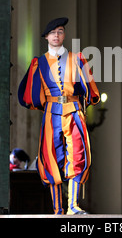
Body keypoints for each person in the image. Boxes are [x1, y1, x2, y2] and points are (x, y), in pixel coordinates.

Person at [18, 17, 100, 215]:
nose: (57, 35)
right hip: (51, 113)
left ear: (64, 35)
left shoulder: (77, 58)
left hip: (73, 110)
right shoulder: (39, 63)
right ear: (46, 36)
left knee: (77, 155)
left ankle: (73, 205)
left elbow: (89, 88)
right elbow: (30, 94)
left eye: (60, 31)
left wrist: (83, 104)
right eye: (53, 32)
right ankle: (58, 208)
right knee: (51, 157)